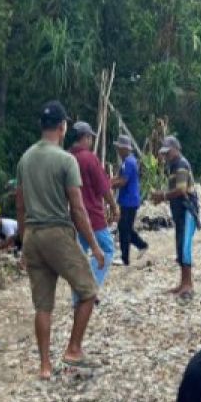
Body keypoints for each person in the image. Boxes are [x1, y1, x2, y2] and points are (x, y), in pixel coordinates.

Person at [15, 101, 105, 379]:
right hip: (57, 232)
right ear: (63, 126)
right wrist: (95, 245)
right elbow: (77, 209)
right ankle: (73, 349)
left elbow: (19, 205)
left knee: (43, 305)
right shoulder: (67, 160)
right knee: (88, 289)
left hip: (32, 235)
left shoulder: (25, 159)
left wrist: (21, 243)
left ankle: (45, 367)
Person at [69, 121, 119, 289]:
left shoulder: (66, 158)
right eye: (90, 138)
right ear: (86, 137)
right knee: (107, 250)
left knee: (80, 255)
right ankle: (90, 287)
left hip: (73, 217)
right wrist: (114, 207)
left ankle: (79, 292)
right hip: (92, 216)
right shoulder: (89, 158)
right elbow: (103, 187)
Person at [151, 136, 199, 299]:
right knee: (180, 245)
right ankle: (183, 282)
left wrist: (162, 196)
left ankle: (188, 284)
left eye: (168, 152)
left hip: (187, 210)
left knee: (184, 246)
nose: (166, 156)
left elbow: (181, 190)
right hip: (179, 211)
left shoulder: (181, 164)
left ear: (176, 149)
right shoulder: (174, 166)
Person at [111, 134, 148, 265]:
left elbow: (123, 181)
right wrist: (110, 181)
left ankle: (125, 258)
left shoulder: (128, 162)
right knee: (124, 227)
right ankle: (141, 245)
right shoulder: (128, 162)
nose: (118, 151)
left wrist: (109, 184)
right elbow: (119, 178)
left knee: (124, 229)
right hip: (129, 200)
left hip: (129, 201)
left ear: (126, 149)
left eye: (120, 148)